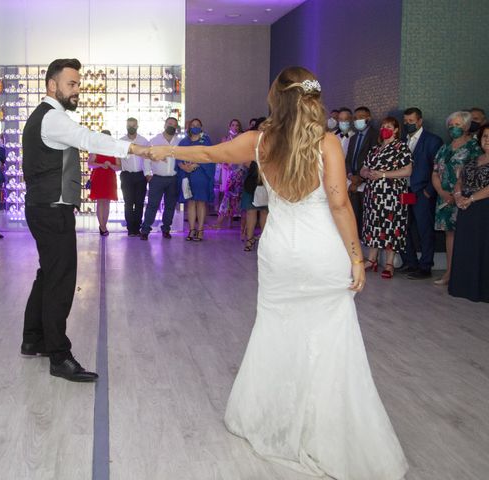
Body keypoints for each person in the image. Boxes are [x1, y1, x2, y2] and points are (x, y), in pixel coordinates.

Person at [148, 66, 407, 480]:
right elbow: (340, 205)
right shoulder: (327, 144)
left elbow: (211, 154)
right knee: (328, 337)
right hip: (322, 251)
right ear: (313, 100)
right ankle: (324, 426)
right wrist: (357, 257)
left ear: (277, 100)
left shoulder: (260, 141)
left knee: (275, 330)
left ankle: (272, 420)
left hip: (280, 252)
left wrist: (166, 151)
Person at [20, 58, 148, 382]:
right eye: (71, 84)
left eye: (78, 84)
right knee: (60, 281)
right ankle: (59, 356)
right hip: (52, 210)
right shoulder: (53, 118)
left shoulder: (44, 118)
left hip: (43, 208)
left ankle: (33, 338)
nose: (77, 90)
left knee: (48, 275)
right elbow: (91, 139)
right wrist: (135, 149)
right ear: (53, 85)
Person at [432, 111, 483, 285]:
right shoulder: (444, 148)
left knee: (467, 236)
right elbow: (435, 173)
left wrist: (457, 194)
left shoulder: (474, 148)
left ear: (467, 127)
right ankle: (449, 273)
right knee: (450, 235)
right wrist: (442, 192)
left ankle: (465, 276)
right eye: (451, 125)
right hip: (444, 199)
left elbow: (472, 174)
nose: (454, 128)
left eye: (458, 125)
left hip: (465, 199)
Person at [360, 117, 413, 279]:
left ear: (396, 130)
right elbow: (363, 169)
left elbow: (407, 171)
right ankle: (372, 259)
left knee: (391, 225)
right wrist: (367, 173)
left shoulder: (401, 147)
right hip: (373, 194)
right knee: (372, 225)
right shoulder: (375, 149)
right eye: (383, 126)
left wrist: (383, 174)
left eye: (389, 126)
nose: (385, 129)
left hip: (392, 195)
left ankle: (389, 264)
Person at [399, 107, 443, 279]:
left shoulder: (432, 140)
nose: (408, 124)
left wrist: (428, 191)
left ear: (420, 121)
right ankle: (410, 262)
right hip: (405, 190)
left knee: (425, 229)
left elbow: (437, 167)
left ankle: (425, 265)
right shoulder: (402, 140)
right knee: (403, 227)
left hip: (422, 191)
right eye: (405, 121)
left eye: (411, 121)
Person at [449, 124, 489, 302]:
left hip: (484, 209)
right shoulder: (474, 159)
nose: (487, 140)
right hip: (466, 209)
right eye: (485, 136)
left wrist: (471, 198)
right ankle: (464, 287)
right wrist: (458, 196)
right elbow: (460, 180)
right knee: (467, 247)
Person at [140, 117, 180, 240]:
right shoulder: (154, 140)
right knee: (152, 205)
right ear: (164, 125)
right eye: (169, 124)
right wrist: (147, 174)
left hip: (173, 179)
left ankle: (166, 229)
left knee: (170, 206)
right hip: (157, 179)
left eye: (174, 125)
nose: (171, 126)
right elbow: (146, 158)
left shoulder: (179, 142)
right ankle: (145, 230)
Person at [176, 118, 214, 241]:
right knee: (190, 202)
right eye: (193, 125)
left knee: (201, 202)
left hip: (201, 174)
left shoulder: (206, 141)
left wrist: (196, 164)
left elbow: (209, 156)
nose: (195, 127)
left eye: (198, 125)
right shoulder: (183, 142)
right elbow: (177, 157)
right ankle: (192, 230)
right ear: (189, 127)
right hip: (187, 175)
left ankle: (200, 230)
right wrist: (183, 166)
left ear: (201, 127)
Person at [345, 106, 377, 236]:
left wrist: (360, 178)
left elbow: (375, 159)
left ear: (368, 118)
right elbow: (347, 160)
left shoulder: (375, 136)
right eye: (355, 118)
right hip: (353, 183)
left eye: (361, 118)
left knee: (367, 218)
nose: (357, 120)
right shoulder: (353, 137)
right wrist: (351, 176)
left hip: (367, 183)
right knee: (354, 218)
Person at [119, 117, 149, 236]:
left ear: (137, 126)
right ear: (126, 126)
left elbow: (147, 159)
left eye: (133, 125)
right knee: (128, 202)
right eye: (129, 125)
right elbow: (118, 157)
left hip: (140, 175)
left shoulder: (144, 141)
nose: (131, 127)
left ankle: (137, 227)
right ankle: (130, 228)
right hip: (126, 175)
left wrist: (147, 174)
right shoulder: (121, 141)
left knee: (139, 202)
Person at [88, 129, 119, 236]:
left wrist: (110, 165)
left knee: (107, 202)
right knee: (100, 201)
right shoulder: (95, 149)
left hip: (110, 178)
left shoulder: (115, 150)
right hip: (98, 177)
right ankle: (102, 226)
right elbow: (90, 164)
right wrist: (101, 165)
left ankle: (104, 225)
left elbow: (119, 167)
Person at [240, 159, 268, 251]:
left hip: (268, 176)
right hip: (252, 179)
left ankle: (264, 241)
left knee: (265, 211)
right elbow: (243, 158)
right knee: (250, 210)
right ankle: (249, 239)